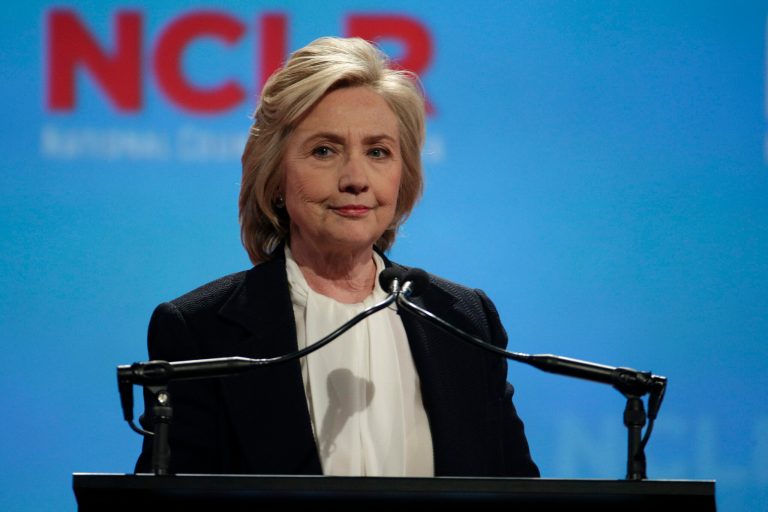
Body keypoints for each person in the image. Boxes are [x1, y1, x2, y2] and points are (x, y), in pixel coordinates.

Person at [135, 36, 538, 477]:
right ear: (275, 177)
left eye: (378, 152)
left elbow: (514, 490)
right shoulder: (200, 330)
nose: (355, 179)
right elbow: (168, 501)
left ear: (402, 176)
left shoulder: (462, 321)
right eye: (324, 150)